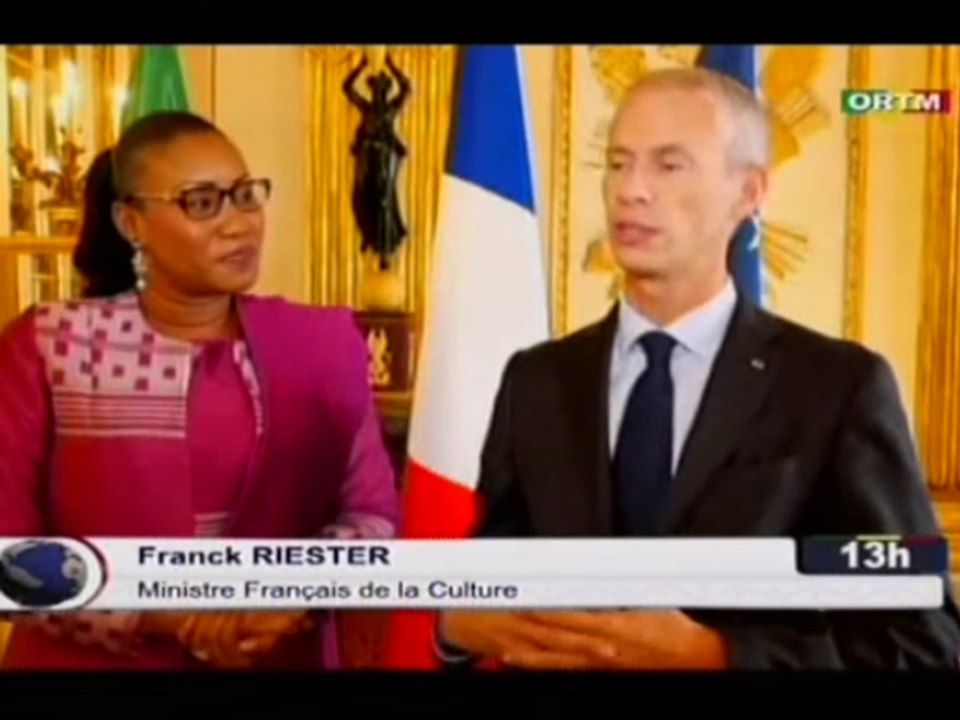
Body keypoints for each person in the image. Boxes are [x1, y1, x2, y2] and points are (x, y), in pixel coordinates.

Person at [436, 68, 960, 670]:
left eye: (669, 165)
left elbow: (922, 644)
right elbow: (489, 577)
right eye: (618, 162)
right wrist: (456, 625)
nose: (632, 189)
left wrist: (716, 655)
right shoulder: (538, 380)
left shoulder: (838, 389)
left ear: (748, 193)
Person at [0, 111, 400, 670]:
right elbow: (10, 557)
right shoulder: (50, 345)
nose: (240, 224)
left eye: (245, 195)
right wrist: (173, 615)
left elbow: (373, 518)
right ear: (131, 221)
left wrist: (277, 597)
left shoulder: (321, 344)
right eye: (202, 202)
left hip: (277, 652)